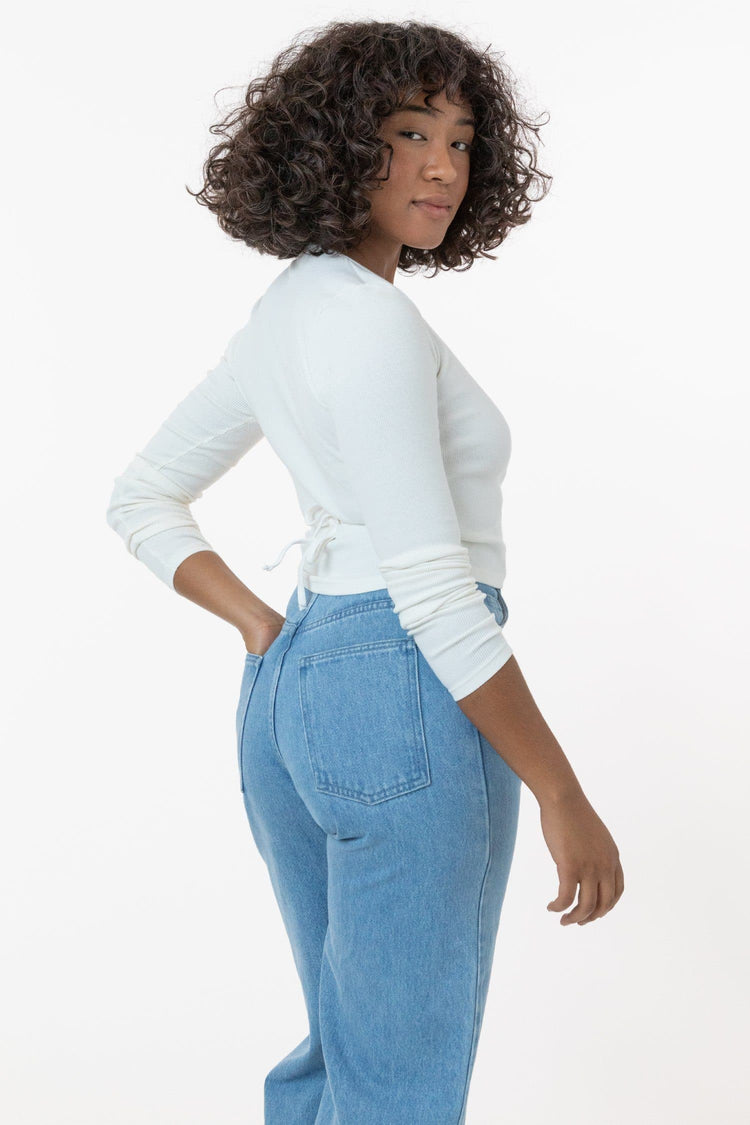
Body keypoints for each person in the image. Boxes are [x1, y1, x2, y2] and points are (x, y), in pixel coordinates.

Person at [106, 19, 624, 1124]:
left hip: (297, 692)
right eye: (409, 133)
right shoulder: (372, 325)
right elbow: (435, 594)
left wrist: (268, 631)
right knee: (398, 1085)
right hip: (406, 694)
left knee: (342, 1058)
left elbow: (142, 498)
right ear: (337, 143)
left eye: (462, 140)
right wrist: (560, 788)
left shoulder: (288, 312)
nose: (443, 167)